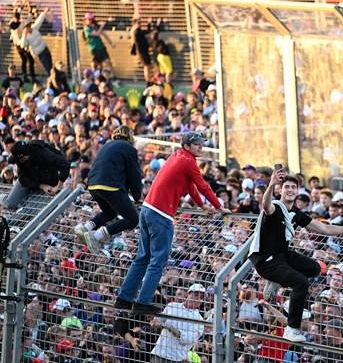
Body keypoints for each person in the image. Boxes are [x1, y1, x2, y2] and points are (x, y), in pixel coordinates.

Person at [249, 169, 343, 342]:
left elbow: (325, 229)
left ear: (297, 191)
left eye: (293, 187)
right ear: (281, 190)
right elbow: (266, 205)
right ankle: (291, 328)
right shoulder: (275, 207)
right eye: (286, 187)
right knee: (301, 283)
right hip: (266, 260)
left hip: (282, 256)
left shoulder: (296, 214)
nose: (290, 190)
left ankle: (275, 280)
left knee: (314, 268)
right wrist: (272, 184)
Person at [115, 132, 228, 315]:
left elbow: (189, 185)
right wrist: (218, 206)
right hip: (160, 215)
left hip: (147, 210)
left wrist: (201, 205)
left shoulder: (177, 156)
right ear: (187, 145)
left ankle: (124, 298)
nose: (201, 146)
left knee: (143, 257)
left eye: (201, 143)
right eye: (197, 144)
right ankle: (142, 302)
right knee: (158, 261)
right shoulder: (189, 161)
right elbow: (202, 186)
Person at [75, 125, 143, 254]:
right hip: (110, 185)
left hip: (94, 185)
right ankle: (96, 236)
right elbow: (134, 174)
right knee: (133, 219)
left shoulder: (107, 146)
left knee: (110, 212)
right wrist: (137, 196)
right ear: (129, 137)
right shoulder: (129, 148)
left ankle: (85, 228)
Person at [2, 140, 70, 209]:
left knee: (31, 212)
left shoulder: (43, 153)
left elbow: (65, 165)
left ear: (26, 155)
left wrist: (58, 186)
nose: (19, 161)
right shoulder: (18, 158)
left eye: (21, 159)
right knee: (10, 204)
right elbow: (22, 178)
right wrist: (41, 186)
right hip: (28, 180)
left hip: (47, 182)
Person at [150, 283, 206, 362]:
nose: (198, 299)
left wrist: (168, 327)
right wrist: (154, 322)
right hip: (159, 353)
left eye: (201, 297)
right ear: (188, 294)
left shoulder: (199, 320)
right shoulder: (172, 306)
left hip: (176, 358)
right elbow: (157, 321)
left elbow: (187, 340)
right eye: (196, 294)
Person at [20, 8, 53, 78]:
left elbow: (39, 20)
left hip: (45, 49)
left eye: (29, 26)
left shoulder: (34, 28)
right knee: (48, 68)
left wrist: (44, 12)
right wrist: (24, 35)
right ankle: (51, 80)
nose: (28, 28)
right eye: (26, 27)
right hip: (40, 54)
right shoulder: (25, 37)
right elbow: (23, 45)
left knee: (50, 66)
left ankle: (52, 78)